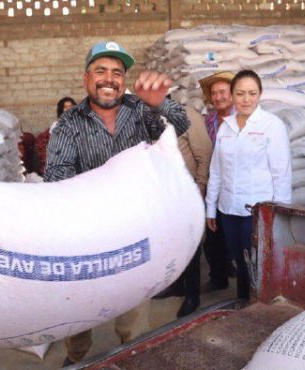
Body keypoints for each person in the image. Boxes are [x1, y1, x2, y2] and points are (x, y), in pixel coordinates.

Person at [45, 41, 190, 365]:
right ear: (86, 79)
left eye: (117, 72)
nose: (109, 79)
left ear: (123, 79)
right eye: (101, 71)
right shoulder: (69, 125)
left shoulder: (140, 109)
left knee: (134, 320)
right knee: (78, 317)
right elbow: (56, 181)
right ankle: (76, 359)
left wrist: (159, 104)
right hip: (85, 236)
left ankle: (134, 356)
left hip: (133, 234)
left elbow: (180, 124)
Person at [205, 70, 291, 300]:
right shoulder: (226, 127)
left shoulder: (271, 125)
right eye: (240, 93)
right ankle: (244, 301)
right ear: (232, 96)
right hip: (228, 209)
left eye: (252, 93)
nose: (246, 99)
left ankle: (259, 304)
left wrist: (279, 215)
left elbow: (281, 174)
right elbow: (216, 170)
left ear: (260, 94)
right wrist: (211, 208)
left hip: (256, 211)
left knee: (257, 263)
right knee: (239, 261)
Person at [152, 106, 212, 318]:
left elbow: (205, 154)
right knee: (171, 244)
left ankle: (192, 295)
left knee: (190, 244)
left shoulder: (186, 115)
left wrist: (201, 186)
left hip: (188, 192)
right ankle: (176, 285)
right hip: (165, 196)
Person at [197, 71, 235, 291]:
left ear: (232, 94)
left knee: (237, 234)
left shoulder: (243, 119)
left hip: (234, 186)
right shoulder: (207, 121)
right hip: (213, 185)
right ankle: (218, 277)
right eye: (214, 93)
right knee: (213, 237)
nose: (218, 97)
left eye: (223, 92)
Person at [37, 96, 77, 175]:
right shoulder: (57, 125)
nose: (69, 109)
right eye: (65, 107)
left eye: (70, 106)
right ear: (61, 110)